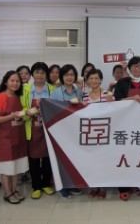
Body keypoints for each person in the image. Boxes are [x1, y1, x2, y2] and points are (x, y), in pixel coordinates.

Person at [114, 56, 140, 201]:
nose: (137, 68)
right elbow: (116, 101)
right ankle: (123, 187)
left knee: (138, 156)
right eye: (134, 66)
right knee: (124, 156)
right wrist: (131, 99)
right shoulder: (122, 82)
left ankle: (135, 183)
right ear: (129, 68)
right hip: (124, 124)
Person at [0, 70, 28, 204]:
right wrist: (13, 115)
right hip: (4, 138)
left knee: (17, 166)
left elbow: (19, 116)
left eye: (17, 81)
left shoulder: (17, 97)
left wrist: (25, 114)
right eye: (12, 80)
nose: (15, 83)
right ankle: (8, 192)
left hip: (18, 136)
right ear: (6, 82)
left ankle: (14, 189)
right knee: (6, 167)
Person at [20, 62, 55, 200]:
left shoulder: (53, 89)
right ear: (32, 74)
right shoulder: (25, 89)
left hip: (48, 129)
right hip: (32, 127)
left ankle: (46, 184)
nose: (39, 75)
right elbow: (20, 107)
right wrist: (27, 112)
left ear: (46, 75)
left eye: (42, 72)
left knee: (47, 157)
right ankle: (36, 186)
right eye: (36, 72)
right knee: (33, 159)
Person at [50, 64, 83, 199]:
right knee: (61, 159)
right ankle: (63, 187)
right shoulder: (56, 93)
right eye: (66, 75)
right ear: (62, 77)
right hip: (60, 130)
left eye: (72, 75)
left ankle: (72, 184)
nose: (69, 77)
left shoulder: (78, 92)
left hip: (75, 130)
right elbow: (50, 110)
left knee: (73, 158)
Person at [83, 69, 113, 199]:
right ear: (87, 81)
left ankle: (103, 187)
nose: (94, 81)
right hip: (90, 133)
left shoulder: (108, 94)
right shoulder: (84, 97)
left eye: (96, 78)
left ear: (101, 80)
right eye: (91, 78)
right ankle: (93, 186)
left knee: (103, 161)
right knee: (91, 161)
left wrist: (111, 102)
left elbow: (115, 112)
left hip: (104, 132)